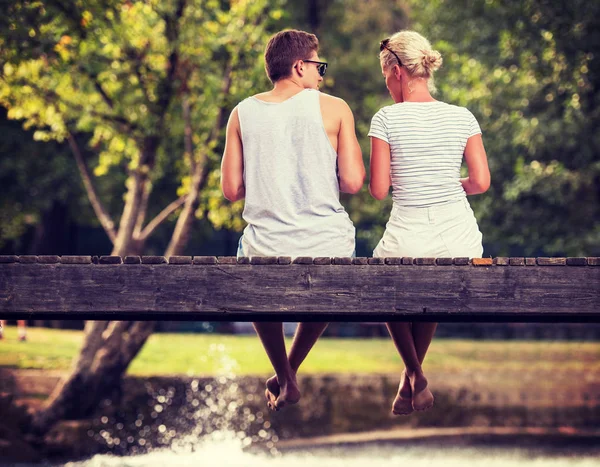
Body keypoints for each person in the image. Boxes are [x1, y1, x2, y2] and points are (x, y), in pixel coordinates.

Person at [221, 29, 365, 411]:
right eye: (319, 66)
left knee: (252, 266)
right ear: (299, 66)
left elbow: (232, 190)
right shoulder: (335, 108)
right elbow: (352, 182)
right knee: (331, 272)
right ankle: (289, 372)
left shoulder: (242, 113)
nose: (322, 75)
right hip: (328, 244)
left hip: (265, 247)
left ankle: (285, 375)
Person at [368, 30, 490, 414]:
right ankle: (412, 381)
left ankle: (413, 374)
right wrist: (449, 182)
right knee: (435, 282)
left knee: (381, 281)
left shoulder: (386, 118)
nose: (387, 84)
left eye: (386, 76)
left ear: (398, 72)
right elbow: (482, 182)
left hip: (408, 235)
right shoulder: (462, 116)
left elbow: (377, 189)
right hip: (461, 238)